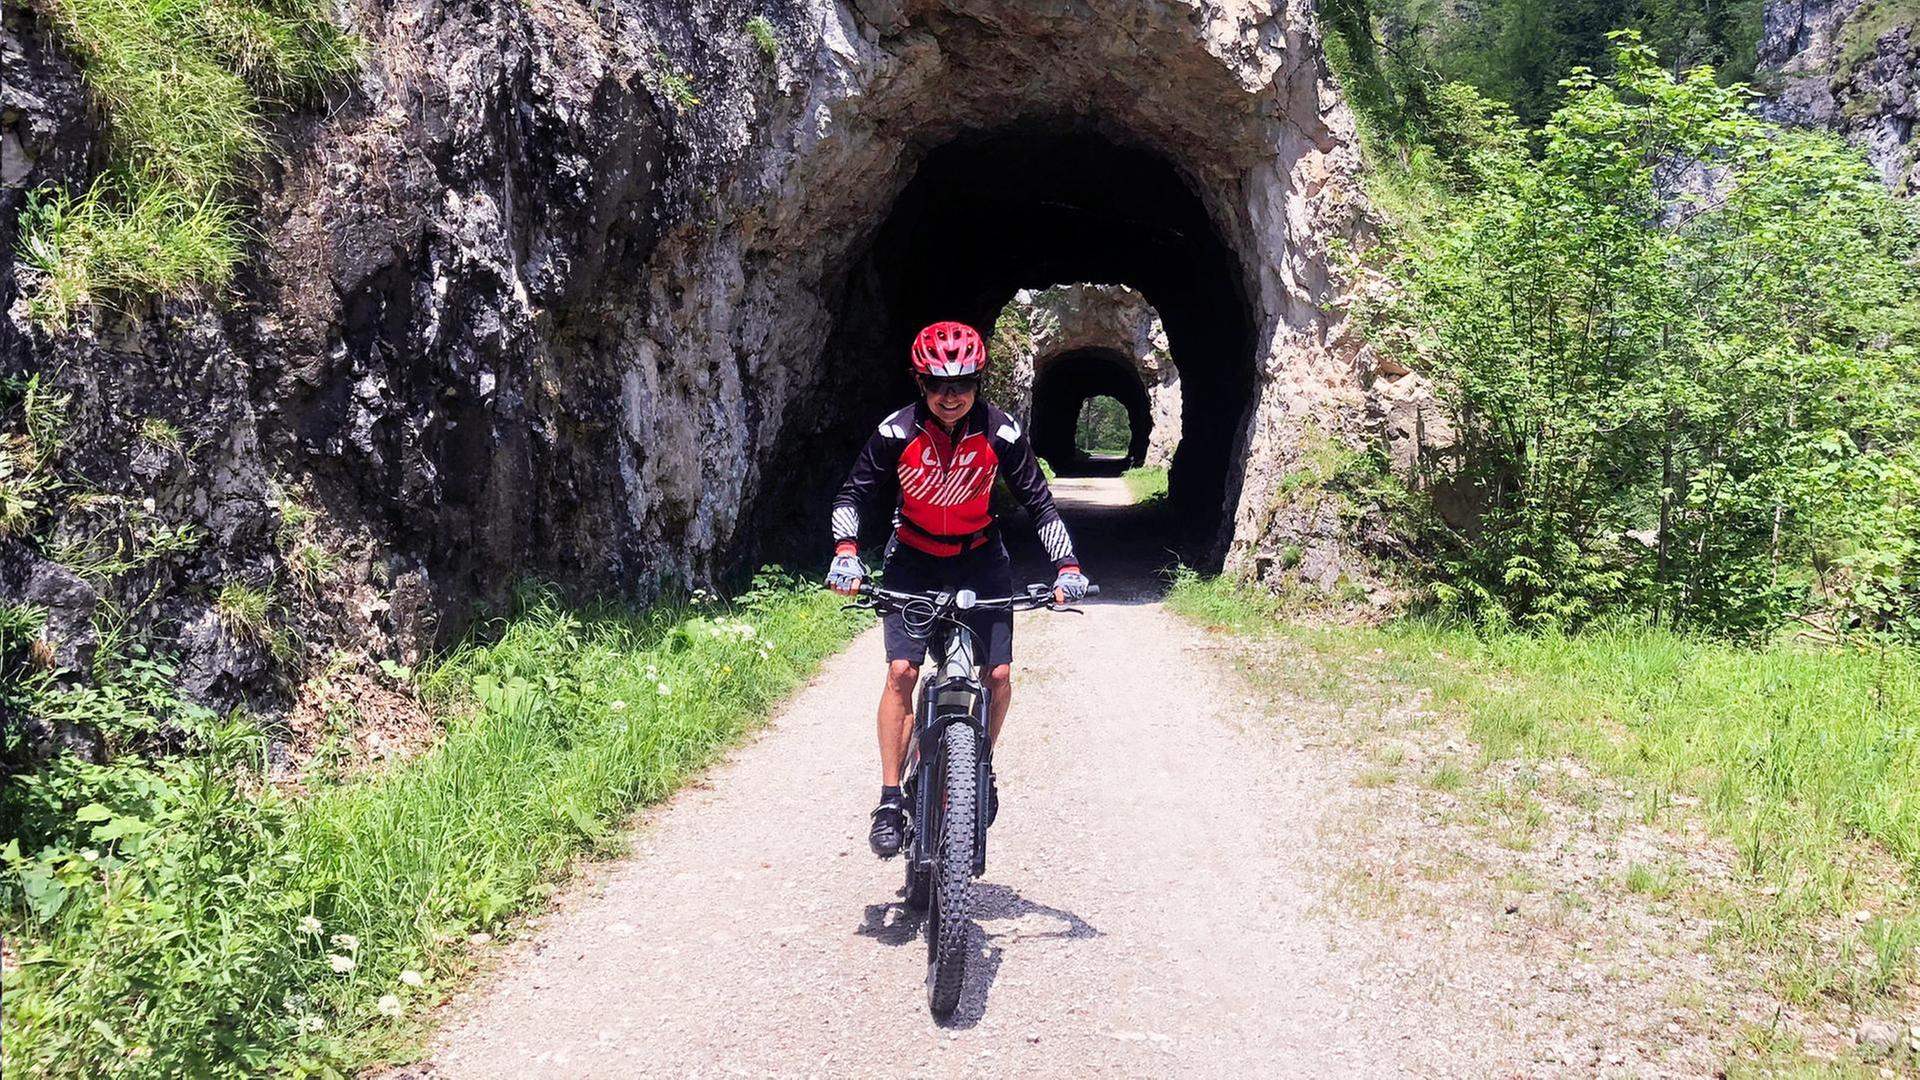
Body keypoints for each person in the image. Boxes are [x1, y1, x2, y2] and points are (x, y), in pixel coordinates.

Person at [826, 320, 1089, 858]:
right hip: (913, 561)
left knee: (998, 675)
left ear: (978, 383)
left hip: (981, 559)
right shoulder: (897, 432)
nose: (952, 396)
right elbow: (851, 495)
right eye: (939, 385)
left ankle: (980, 770)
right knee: (902, 672)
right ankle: (888, 799)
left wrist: (1067, 566)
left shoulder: (1001, 432)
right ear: (920, 383)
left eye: (964, 383)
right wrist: (847, 556)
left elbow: (1039, 502)